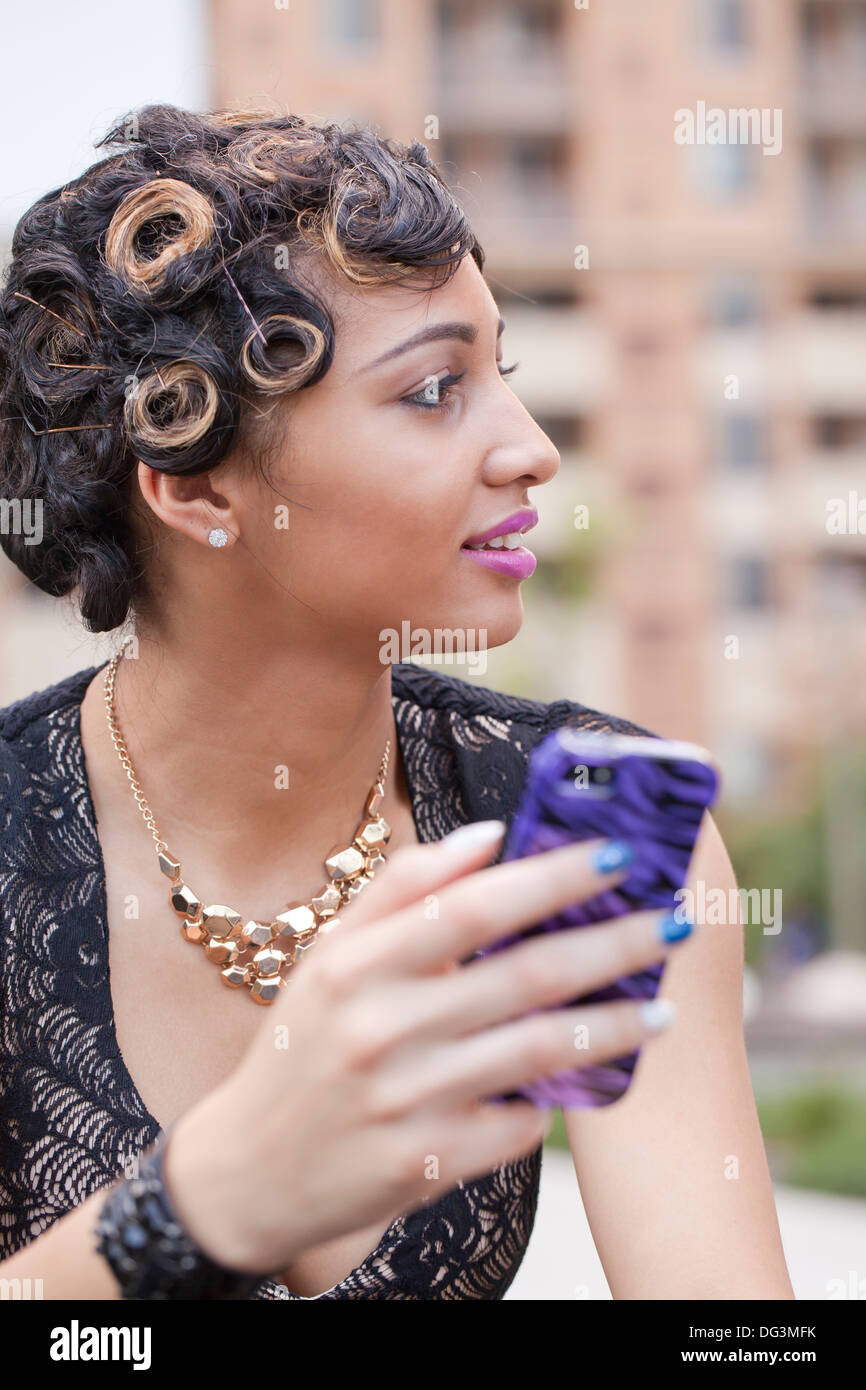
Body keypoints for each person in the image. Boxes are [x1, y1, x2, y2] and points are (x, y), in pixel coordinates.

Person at [0, 104, 793, 1300]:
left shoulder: (587, 819)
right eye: (433, 391)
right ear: (195, 486)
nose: (530, 449)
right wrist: (198, 1204)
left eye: (500, 371)